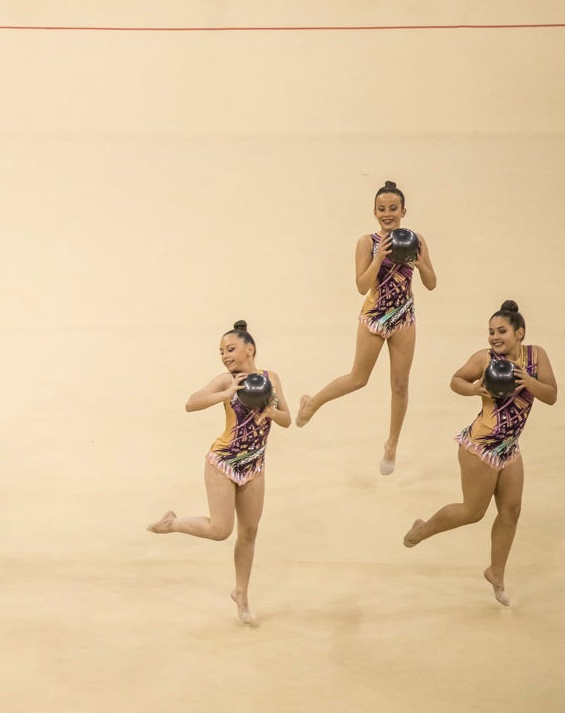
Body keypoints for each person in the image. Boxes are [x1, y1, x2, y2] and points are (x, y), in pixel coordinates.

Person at [403, 300, 556, 606]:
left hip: (509, 448)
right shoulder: (484, 359)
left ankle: (496, 572)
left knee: (511, 510)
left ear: (519, 333)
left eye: (501, 331)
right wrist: (473, 389)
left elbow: (551, 395)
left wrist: (529, 381)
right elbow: (456, 380)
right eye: (491, 331)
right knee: (473, 512)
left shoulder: (536, 356)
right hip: (480, 447)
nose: (494, 337)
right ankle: (422, 529)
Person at [148, 321, 291, 624]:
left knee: (249, 532)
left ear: (249, 349)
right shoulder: (226, 380)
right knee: (220, 530)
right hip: (223, 462)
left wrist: (271, 411)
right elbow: (191, 404)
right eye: (221, 352)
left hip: (254, 466)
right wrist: (226, 393)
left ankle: (241, 593)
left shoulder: (271, 378)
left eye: (230, 349)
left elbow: (287, 419)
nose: (225, 355)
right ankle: (172, 523)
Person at [296, 181, 437, 475]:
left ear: (403, 211)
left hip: (403, 318)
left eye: (393, 208)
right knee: (358, 378)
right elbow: (362, 285)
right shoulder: (367, 242)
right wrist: (379, 257)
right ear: (374, 212)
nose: (387, 214)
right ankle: (312, 403)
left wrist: (420, 263)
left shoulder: (417, 240)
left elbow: (431, 283)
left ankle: (392, 444)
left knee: (400, 385)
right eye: (381, 209)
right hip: (374, 316)